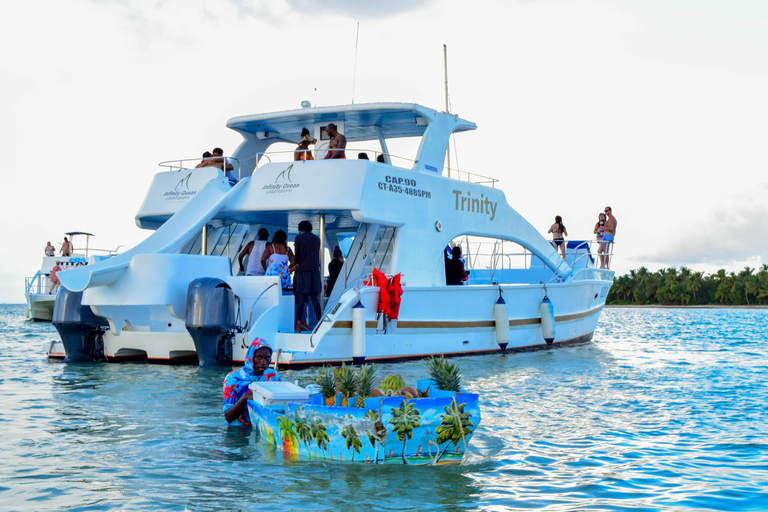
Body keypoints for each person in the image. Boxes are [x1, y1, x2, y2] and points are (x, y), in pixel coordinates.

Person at [223, 338, 282, 426]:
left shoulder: (273, 376)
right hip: (238, 430)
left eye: (267, 358)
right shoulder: (232, 379)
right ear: (251, 357)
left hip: (265, 428)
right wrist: (245, 398)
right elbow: (228, 417)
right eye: (259, 357)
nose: (263, 362)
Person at [291, 220, 322, 333]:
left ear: (301, 229)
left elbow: (297, 257)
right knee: (315, 299)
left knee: (301, 299)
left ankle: (298, 325)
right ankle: (319, 323)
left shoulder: (299, 238)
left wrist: (293, 268)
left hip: (303, 272)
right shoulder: (317, 239)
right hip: (314, 272)